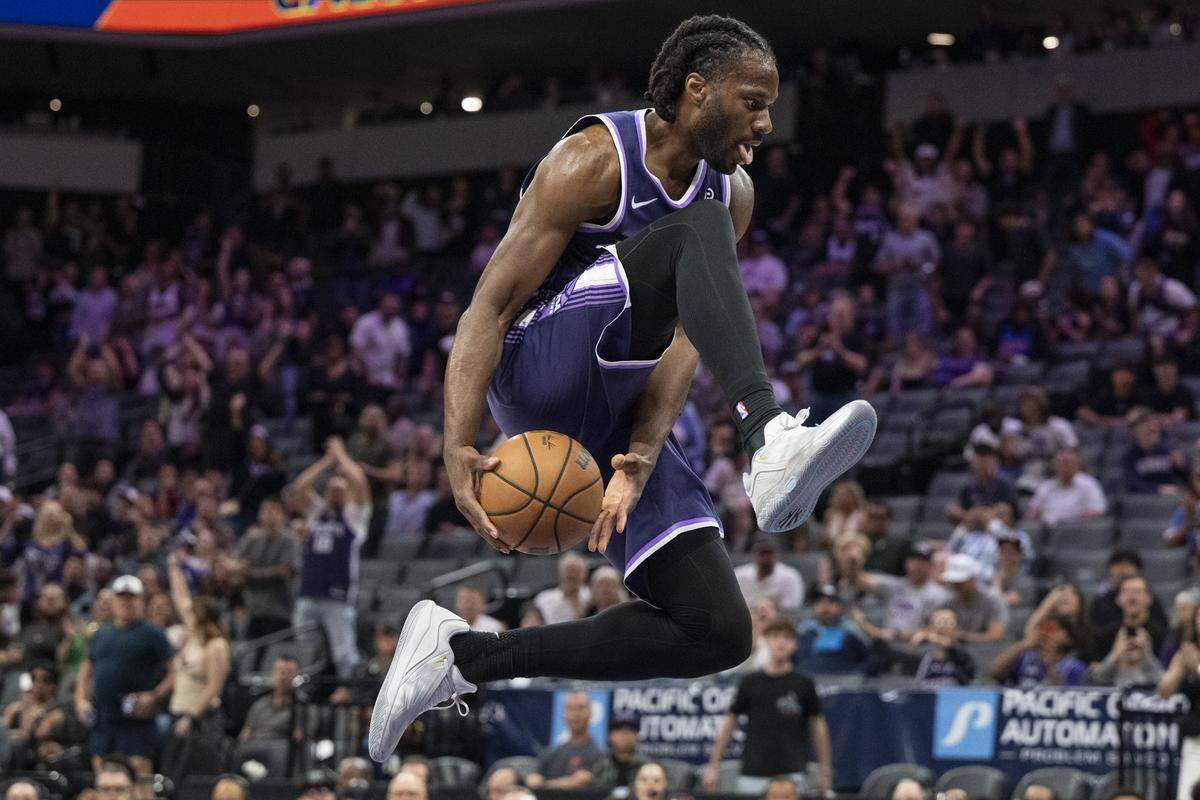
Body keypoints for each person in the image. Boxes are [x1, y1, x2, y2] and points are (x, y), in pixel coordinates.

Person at [368, 14, 877, 761]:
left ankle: (466, 658)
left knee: (717, 630)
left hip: (614, 402)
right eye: (752, 100)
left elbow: (682, 342)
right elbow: (490, 306)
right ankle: (767, 434)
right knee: (692, 230)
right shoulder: (592, 160)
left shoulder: (731, 195)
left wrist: (640, 455)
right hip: (536, 368)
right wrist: (456, 445)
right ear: (696, 90)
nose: (766, 123)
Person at [705, 619, 832, 795]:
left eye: (787, 637)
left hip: (793, 773)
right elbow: (729, 722)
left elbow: (818, 725)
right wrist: (713, 766)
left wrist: (825, 770)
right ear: (765, 641)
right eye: (775, 636)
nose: (781, 642)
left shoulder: (804, 684)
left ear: (795, 644)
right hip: (753, 773)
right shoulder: (749, 681)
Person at [73, 575, 175, 773]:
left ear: (141, 601)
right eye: (121, 597)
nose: (126, 602)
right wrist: (80, 700)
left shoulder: (153, 633)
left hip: (136, 720)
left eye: (132, 597)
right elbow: (86, 670)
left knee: (139, 774)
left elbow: (174, 672)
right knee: (102, 774)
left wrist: (153, 696)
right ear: (113, 601)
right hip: (103, 717)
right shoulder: (102, 633)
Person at [288, 437, 370, 678]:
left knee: (344, 654)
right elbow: (300, 486)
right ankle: (309, 690)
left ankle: (349, 694)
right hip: (309, 591)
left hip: (337, 594)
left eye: (340, 489)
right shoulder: (316, 514)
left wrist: (341, 456)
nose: (335, 492)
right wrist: (326, 461)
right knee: (305, 650)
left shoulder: (354, 517)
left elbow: (360, 481)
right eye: (331, 488)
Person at [232, 498, 297, 639]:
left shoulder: (289, 540)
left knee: (277, 657)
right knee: (250, 656)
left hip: (279, 611)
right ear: (259, 515)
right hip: (254, 610)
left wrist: (250, 574)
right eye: (266, 511)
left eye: (274, 510)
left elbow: (284, 571)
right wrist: (240, 569)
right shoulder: (251, 539)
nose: (270, 515)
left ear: (282, 515)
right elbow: (236, 565)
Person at [526, 691, 603, 789]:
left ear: (590, 713)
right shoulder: (551, 753)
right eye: (570, 708)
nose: (575, 714)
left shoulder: (601, 755)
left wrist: (545, 784)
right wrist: (568, 782)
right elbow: (534, 781)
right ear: (564, 713)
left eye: (580, 708)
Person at [989, 614, 1088, 687]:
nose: (1049, 634)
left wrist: (1050, 665)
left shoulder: (1075, 667)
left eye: (1056, 630)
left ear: (1068, 638)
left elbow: (1068, 696)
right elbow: (994, 673)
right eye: (1047, 629)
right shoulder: (1025, 658)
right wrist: (1023, 645)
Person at [795, 585, 874, 675]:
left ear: (840, 606)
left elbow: (867, 657)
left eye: (830, 602)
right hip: (811, 676)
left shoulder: (851, 630)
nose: (824, 607)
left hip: (845, 678)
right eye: (819, 602)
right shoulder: (805, 629)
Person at [1090, 550, 1169, 639]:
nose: (1122, 570)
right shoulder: (1102, 603)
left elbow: (1163, 631)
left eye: (1126, 565)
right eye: (1117, 566)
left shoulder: (1151, 601)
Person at [1026, 448, 1108, 527]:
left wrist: (1070, 522)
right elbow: (1032, 511)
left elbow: (1098, 511)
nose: (1064, 467)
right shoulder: (1046, 486)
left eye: (1067, 463)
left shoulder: (1089, 484)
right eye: (1060, 463)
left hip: (1077, 531)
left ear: (1077, 465)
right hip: (1048, 531)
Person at [939, 554, 1008, 643]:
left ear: (973, 579)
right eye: (953, 581)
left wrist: (960, 636)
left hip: (988, 653)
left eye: (961, 581)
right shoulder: (948, 602)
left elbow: (996, 635)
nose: (956, 585)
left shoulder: (992, 600)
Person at [1094, 575, 1168, 657]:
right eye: (1126, 591)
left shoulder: (1163, 635)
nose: (1131, 596)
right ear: (1118, 599)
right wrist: (1116, 654)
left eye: (1137, 591)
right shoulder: (1106, 634)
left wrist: (1147, 653)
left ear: (1149, 599)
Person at [946, 444, 1019, 522]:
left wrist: (974, 516)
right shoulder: (968, 487)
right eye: (979, 457)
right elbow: (959, 512)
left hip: (998, 528)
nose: (983, 463)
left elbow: (1010, 514)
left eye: (987, 458)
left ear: (995, 462)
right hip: (972, 528)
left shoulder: (1005, 485)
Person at [1122, 408, 1186, 494]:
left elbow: (1186, 479)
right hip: (1144, 502)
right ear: (1135, 432)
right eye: (1147, 430)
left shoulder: (1167, 451)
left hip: (1168, 500)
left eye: (1155, 432)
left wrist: (1182, 466)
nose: (1152, 431)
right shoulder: (1129, 456)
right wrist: (1158, 489)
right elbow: (1132, 484)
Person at [734, 534, 803, 610]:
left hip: (777, 621)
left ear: (777, 555)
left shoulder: (790, 577)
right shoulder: (739, 576)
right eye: (762, 554)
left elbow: (791, 611)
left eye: (769, 553)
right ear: (753, 555)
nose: (766, 558)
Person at [912, 608, 975, 686]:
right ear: (931, 628)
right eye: (939, 622)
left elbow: (970, 675)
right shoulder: (922, 653)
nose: (943, 627)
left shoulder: (964, 655)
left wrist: (942, 642)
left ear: (957, 629)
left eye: (948, 623)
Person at [589, 717, 647, 792]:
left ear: (637, 736)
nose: (624, 736)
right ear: (610, 736)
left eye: (630, 730)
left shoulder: (646, 767)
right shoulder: (599, 765)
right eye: (619, 730)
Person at [532, 552, 591, 624]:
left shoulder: (591, 597)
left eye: (576, 570)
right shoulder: (544, 597)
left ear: (584, 574)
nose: (572, 574)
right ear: (560, 573)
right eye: (569, 569)